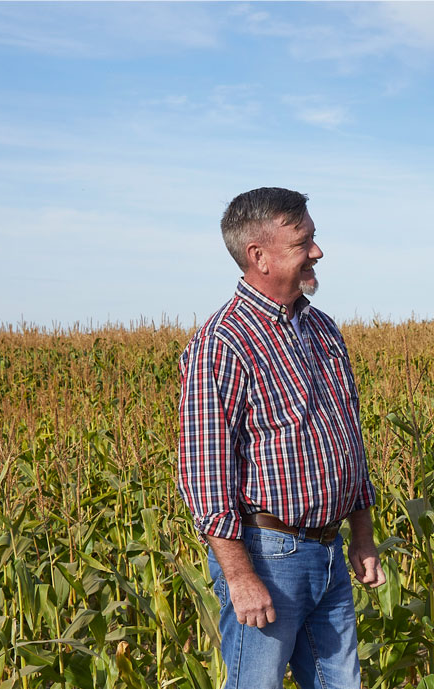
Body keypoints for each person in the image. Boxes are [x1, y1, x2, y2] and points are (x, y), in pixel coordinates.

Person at [176, 187, 384, 689]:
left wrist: (361, 535)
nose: (317, 251)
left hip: (330, 552)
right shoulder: (223, 342)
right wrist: (241, 578)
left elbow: (346, 441)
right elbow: (206, 475)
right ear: (259, 256)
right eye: (303, 242)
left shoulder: (322, 330)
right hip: (268, 557)